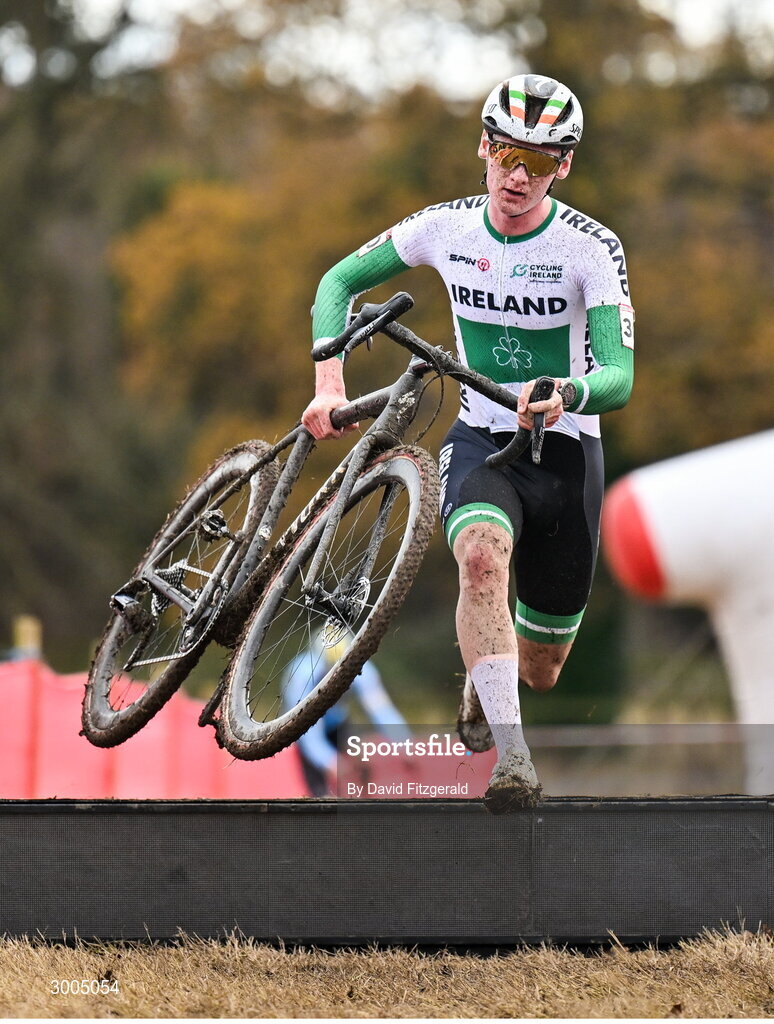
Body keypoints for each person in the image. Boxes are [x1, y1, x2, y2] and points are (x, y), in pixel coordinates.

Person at [302, 74, 634, 812]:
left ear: (564, 167)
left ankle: (490, 677)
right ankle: (513, 762)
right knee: (479, 559)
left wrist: (568, 392)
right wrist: (330, 381)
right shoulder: (444, 227)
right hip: (484, 439)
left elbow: (619, 374)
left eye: (541, 162)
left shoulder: (589, 248)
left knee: (543, 668)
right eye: (509, 153)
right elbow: (338, 282)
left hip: (566, 452)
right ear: (483, 146)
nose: (519, 175)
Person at [282, 629, 411, 797]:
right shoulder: (302, 676)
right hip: (304, 727)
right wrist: (329, 761)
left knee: (361, 766)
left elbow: (381, 709)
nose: (337, 677)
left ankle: (364, 805)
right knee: (320, 791)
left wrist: (403, 743)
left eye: (343, 670)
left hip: (338, 721)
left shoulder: (362, 669)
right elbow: (307, 734)